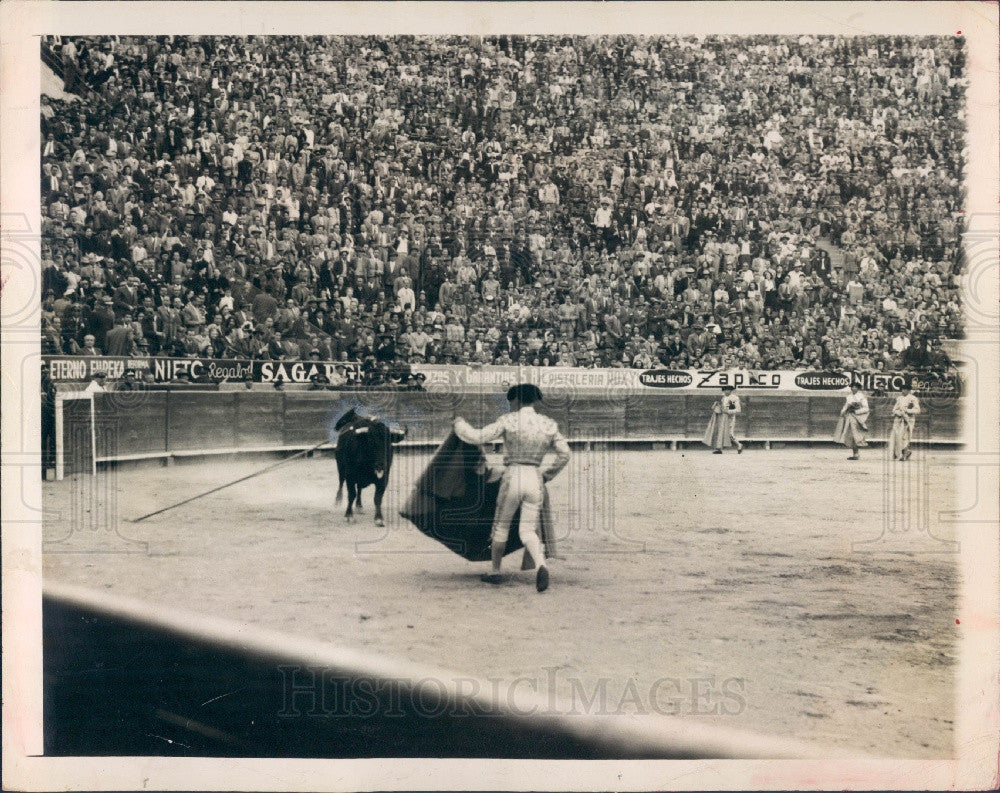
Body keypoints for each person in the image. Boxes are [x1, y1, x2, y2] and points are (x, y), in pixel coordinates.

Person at [453, 383, 570, 592]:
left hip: (513, 476)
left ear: (516, 400)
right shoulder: (548, 424)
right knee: (527, 529)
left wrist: (460, 425)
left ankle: (496, 571)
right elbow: (565, 455)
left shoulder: (508, 420)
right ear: (535, 400)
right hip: (535, 478)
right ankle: (542, 565)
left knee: (501, 527)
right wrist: (546, 475)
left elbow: (477, 437)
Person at [702, 384, 743, 454]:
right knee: (720, 432)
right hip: (723, 418)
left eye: (728, 390)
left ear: (731, 391)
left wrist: (727, 411)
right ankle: (719, 449)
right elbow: (723, 408)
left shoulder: (734, 398)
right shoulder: (723, 398)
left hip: (730, 418)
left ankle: (739, 445)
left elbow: (738, 410)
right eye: (725, 390)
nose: (726, 392)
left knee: (729, 434)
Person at [835, 383, 870, 460]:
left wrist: (856, 411)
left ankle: (856, 454)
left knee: (856, 435)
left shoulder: (862, 397)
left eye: (855, 387)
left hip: (858, 418)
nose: (853, 388)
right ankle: (855, 454)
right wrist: (843, 412)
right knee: (851, 435)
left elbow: (866, 409)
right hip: (850, 417)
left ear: (858, 388)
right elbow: (845, 406)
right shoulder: (849, 397)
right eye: (852, 387)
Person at [889, 384, 921, 461]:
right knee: (896, 436)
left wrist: (907, 411)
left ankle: (905, 453)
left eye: (905, 389)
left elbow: (917, 410)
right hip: (898, 419)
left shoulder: (913, 398)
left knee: (905, 437)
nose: (903, 391)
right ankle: (899, 454)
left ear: (909, 390)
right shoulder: (899, 398)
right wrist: (899, 413)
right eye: (902, 389)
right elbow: (894, 410)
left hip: (908, 419)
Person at [41, 363, 56, 480]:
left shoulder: (49, 382)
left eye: (46, 368)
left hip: (48, 415)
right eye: (42, 369)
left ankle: (47, 469)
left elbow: (52, 399)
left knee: (50, 442)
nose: (45, 371)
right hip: (38, 416)